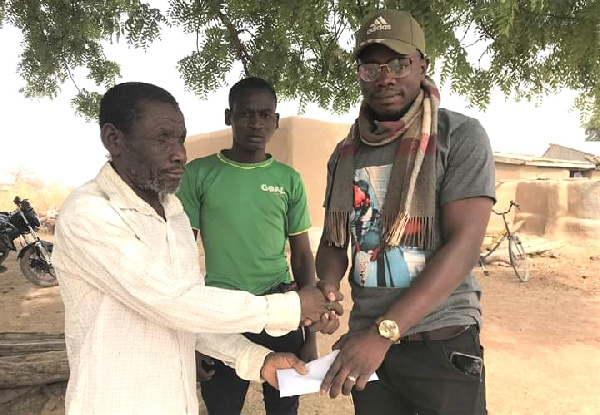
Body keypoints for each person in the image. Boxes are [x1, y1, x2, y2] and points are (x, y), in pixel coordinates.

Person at [51, 82, 343, 414]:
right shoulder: (90, 213)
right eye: (162, 139)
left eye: (180, 140)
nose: (179, 154)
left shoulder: (171, 214)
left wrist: (259, 360)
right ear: (114, 139)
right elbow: (171, 302)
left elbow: (185, 310)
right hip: (117, 402)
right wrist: (290, 308)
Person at [315, 10, 496, 415]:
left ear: (422, 64)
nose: (385, 78)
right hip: (367, 348)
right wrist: (326, 289)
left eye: (399, 63)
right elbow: (334, 239)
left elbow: (464, 246)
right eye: (371, 67)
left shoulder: (459, 136)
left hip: (439, 341)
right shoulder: (345, 154)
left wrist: (384, 333)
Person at [177, 77, 318, 415]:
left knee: (283, 410)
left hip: (281, 310)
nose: (256, 123)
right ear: (229, 116)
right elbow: (179, 258)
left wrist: (310, 336)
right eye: (246, 114)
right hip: (222, 315)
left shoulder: (289, 180)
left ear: (276, 121)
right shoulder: (199, 174)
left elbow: (301, 254)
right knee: (223, 408)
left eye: (265, 115)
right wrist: (192, 338)